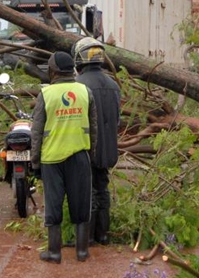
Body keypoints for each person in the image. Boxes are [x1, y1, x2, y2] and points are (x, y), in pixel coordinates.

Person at [31, 52, 97, 264]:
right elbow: (93, 128)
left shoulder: (46, 94)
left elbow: (37, 131)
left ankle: (54, 252)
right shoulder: (85, 92)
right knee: (81, 205)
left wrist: (34, 162)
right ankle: (82, 252)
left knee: (53, 205)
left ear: (52, 71)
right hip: (80, 156)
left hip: (52, 160)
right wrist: (91, 155)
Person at [72, 37, 121, 246]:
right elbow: (117, 118)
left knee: (87, 191)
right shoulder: (113, 85)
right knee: (103, 188)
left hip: (86, 147)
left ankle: (88, 238)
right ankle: (103, 235)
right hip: (108, 148)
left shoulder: (78, 85)